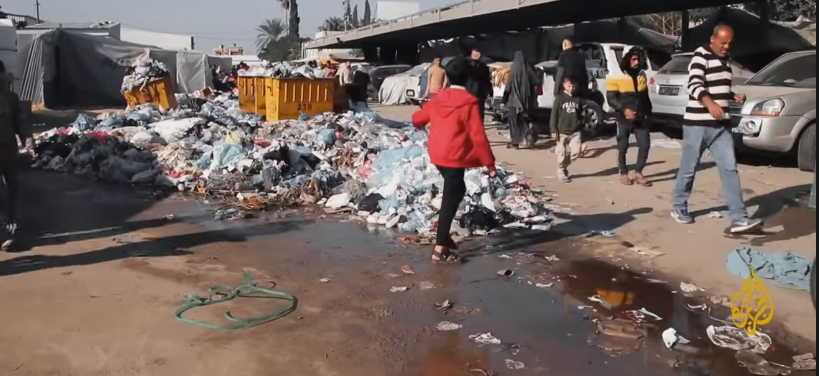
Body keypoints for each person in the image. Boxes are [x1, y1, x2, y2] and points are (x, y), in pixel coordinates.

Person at [671, 25, 762, 233]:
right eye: (723, 42)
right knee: (689, 168)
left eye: (729, 42)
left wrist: (732, 96)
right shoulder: (700, 55)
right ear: (713, 39)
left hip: (721, 126)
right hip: (698, 124)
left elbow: (718, 87)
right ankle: (679, 207)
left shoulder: (725, 60)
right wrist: (710, 103)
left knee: (730, 169)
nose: (726, 46)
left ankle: (739, 218)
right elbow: (694, 84)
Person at [411, 56, 496, 263]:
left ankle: (444, 238)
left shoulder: (438, 99)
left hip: (438, 154)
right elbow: (477, 136)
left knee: (458, 190)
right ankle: (440, 249)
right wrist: (489, 163)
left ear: (447, 76)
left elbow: (417, 119)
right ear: (467, 79)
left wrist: (423, 111)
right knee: (450, 199)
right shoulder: (469, 102)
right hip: (455, 157)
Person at [606, 47, 653, 187]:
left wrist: (650, 114)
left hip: (641, 117)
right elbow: (611, 99)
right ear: (627, 60)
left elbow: (645, 97)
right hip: (623, 118)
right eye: (633, 59)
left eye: (638, 59)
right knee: (623, 146)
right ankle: (624, 173)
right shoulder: (616, 76)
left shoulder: (642, 76)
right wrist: (624, 109)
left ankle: (638, 172)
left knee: (645, 144)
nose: (636, 62)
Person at [0, 61, 31, 250]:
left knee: (12, 189)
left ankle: (10, 231)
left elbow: (22, 124)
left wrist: (29, 143)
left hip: (8, 151)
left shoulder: (11, 98)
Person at [555, 36, 590, 155]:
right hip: (579, 91)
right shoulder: (580, 56)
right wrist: (585, 90)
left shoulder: (563, 56)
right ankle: (580, 142)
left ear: (565, 44)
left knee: (564, 116)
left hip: (567, 89)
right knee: (578, 116)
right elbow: (585, 74)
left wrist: (556, 91)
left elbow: (560, 74)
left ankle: (564, 145)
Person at [550, 77, 584, 183]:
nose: (572, 88)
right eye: (569, 86)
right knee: (561, 153)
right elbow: (554, 115)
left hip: (575, 131)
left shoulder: (578, 99)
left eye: (574, 86)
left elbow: (580, 115)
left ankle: (564, 166)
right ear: (564, 85)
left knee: (576, 152)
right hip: (561, 131)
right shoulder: (560, 98)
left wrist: (581, 127)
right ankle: (561, 171)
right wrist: (553, 129)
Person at [502, 51, 536, 149]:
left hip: (514, 101)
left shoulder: (514, 68)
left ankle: (515, 143)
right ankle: (528, 139)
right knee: (524, 121)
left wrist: (504, 99)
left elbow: (509, 85)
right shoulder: (529, 69)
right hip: (526, 101)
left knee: (513, 122)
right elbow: (537, 80)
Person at [466, 47, 491, 121]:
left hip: (479, 93)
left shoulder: (483, 66)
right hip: (470, 93)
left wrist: (490, 91)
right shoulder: (467, 65)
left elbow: (487, 80)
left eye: (479, 53)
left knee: (479, 113)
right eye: (476, 53)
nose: (478, 54)